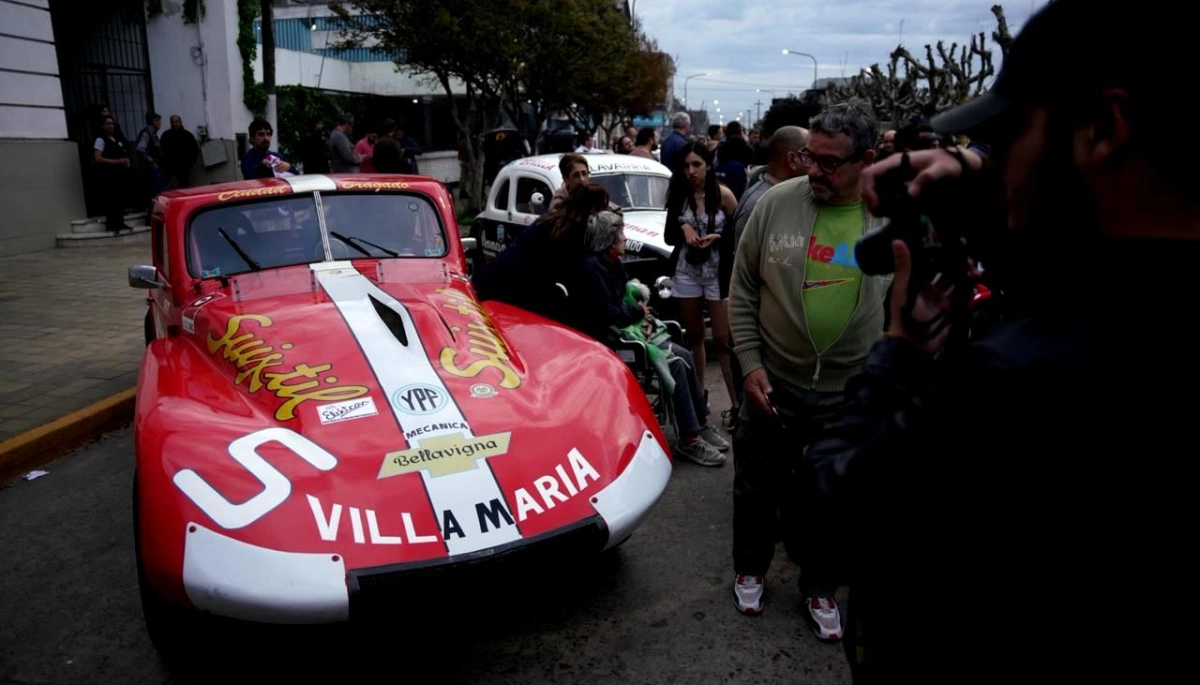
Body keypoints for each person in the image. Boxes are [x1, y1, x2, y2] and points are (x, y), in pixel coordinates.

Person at [805, 0, 1198, 681]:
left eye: (1011, 137)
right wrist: (987, 176)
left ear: (1104, 128)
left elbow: (833, 510)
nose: (1001, 170)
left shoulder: (1016, 379)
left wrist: (898, 348)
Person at [727, 102, 890, 636]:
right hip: (774, 382)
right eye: (807, 157)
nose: (812, 171)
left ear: (865, 160)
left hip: (850, 392)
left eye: (828, 162)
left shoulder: (888, 215)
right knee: (756, 485)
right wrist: (750, 363)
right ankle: (750, 567)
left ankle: (820, 586)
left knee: (832, 497)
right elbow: (743, 287)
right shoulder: (775, 204)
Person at [571, 211, 727, 465]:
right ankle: (688, 439)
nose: (624, 237)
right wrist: (637, 311)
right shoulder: (592, 269)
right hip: (613, 339)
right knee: (676, 363)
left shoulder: (611, 264)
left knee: (685, 353)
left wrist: (639, 312)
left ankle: (701, 423)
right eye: (620, 233)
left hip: (632, 329)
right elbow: (603, 314)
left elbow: (624, 300)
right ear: (610, 240)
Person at [664, 141, 740, 430]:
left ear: (708, 165)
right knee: (694, 335)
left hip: (717, 273)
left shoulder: (724, 195)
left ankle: (736, 405)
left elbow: (741, 235)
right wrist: (684, 228)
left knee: (723, 340)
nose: (691, 171)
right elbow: (670, 236)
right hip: (687, 271)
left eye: (696, 164)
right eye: (686, 166)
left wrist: (719, 238)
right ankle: (699, 399)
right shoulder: (680, 196)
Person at [472, 183, 612, 322]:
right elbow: (576, 275)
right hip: (509, 288)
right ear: (593, 210)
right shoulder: (571, 232)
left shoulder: (555, 221)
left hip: (499, 280)